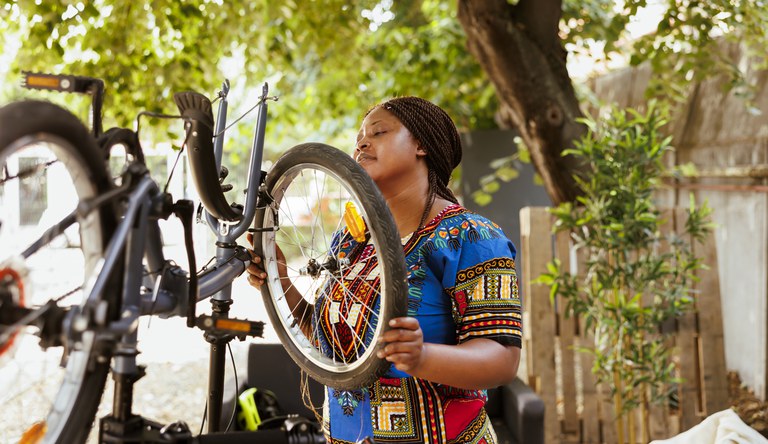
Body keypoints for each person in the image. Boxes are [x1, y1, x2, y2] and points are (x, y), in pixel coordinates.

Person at [245, 96, 522, 443]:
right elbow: (331, 339)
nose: (361, 142)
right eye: (359, 135)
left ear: (421, 144)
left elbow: (503, 358)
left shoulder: (473, 237)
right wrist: (280, 277)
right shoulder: (350, 239)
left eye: (378, 132)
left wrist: (423, 358)